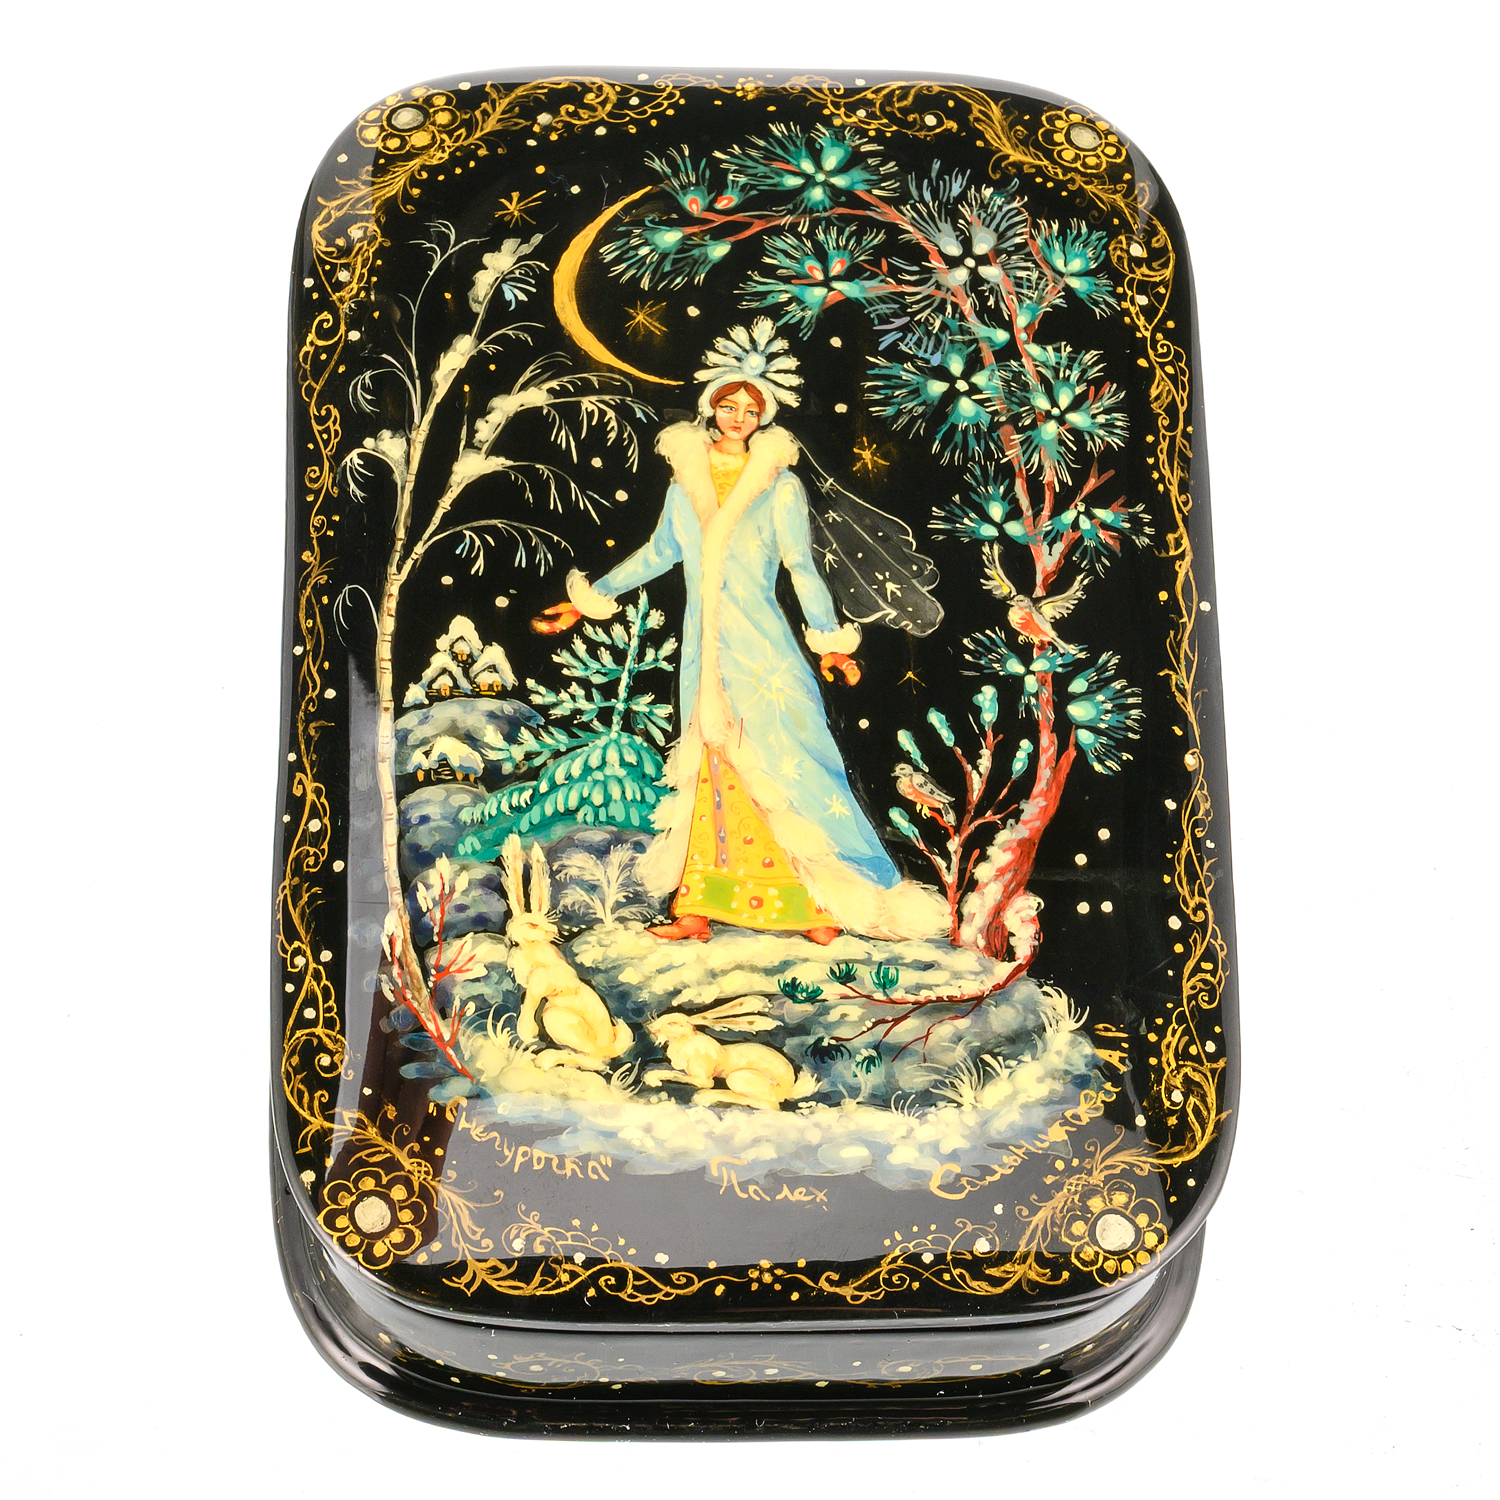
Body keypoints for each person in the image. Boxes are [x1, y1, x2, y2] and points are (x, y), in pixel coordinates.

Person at [534, 321, 945, 945]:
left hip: (763, 649)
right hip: (706, 652)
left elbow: (801, 567)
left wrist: (829, 641)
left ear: (763, 418)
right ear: (712, 407)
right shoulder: (686, 483)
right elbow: (658, 554)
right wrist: (586, 602)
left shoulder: (779, 485)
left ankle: (819, 904)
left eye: (751, 411)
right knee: (710, 765)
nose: (738, 418)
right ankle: (698, 908)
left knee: (792, 764)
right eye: (729, 406)